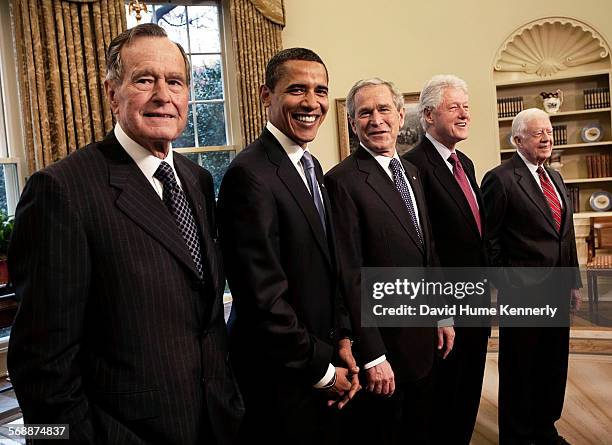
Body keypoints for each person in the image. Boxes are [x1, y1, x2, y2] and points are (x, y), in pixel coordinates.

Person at [7, 23, 243, 444]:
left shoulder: (198, 180)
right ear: (111, 92)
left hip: (215, 422)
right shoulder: (61, 191)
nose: (163, 96)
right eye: (144, 80)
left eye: (175, 82)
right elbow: (41, 369)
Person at [217, 48, 359, 445]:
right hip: (279, 375)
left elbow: (330, 267)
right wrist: (324, 372)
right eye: (297, 90)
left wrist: (343, 338)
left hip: (320, 356)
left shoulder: (311, 165)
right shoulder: (249, 174)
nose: (312, 102)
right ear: (266, 96)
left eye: (320, 90)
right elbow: (263, 299)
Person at [325, 78, 453, 444]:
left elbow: (428, 249)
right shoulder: (343, 181)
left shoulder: (412, 172)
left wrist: (442, 314)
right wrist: (373, 355)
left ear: (401, 116)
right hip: (386, 351)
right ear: (353, 123)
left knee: (423, 429)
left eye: (384, 110)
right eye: (364, 113)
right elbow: (350, 274)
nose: (375, 119)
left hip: (425, 337)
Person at [481, 108, 582, 445]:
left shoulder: (555, 177)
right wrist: (506, 282)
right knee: (521, 368)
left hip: (557, 289)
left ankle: (544, 428)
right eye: (538, 132)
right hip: (522, 293)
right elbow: (489, 239)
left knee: (553, 366)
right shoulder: (501, 178)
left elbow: (564, 234)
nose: (546, 138)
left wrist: (573, 282)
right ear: (518, 139)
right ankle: (518, 435)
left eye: (549, 132)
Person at [403, 74, 489, 444]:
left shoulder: (465, 162)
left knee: (469, 391)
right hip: (445, 308)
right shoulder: (413, 168)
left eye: (466, 107)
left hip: (477, 301)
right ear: (427, 116)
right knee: (445, 400)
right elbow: (424, 244)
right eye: (453, 107)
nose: (464, 114)